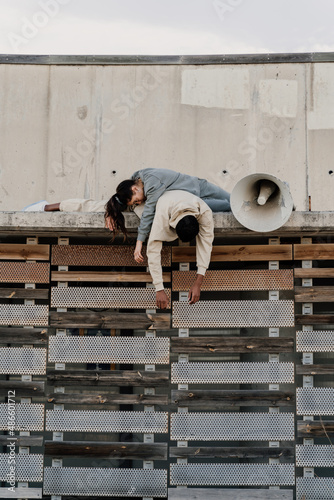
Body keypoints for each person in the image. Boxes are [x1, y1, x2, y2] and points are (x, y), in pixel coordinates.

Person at [104, 168, 229, 263]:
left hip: (198, 187)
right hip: (191, 202)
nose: (139, 203)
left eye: (136, 200)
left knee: (233, 201)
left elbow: (148, 213)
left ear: (135, 190)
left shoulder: (152, 184)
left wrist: (139, 242)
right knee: (228, 206)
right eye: (136, 203)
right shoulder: (137, 180)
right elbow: (123, 198)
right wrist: (112, 211)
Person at [144, 189, 214, 309]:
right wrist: (159, 288)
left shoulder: (204, 212)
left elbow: (205, 246)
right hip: (165, 200)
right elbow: (153, 251)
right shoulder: (162, 213)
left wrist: (198, 283)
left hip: (193, 197)